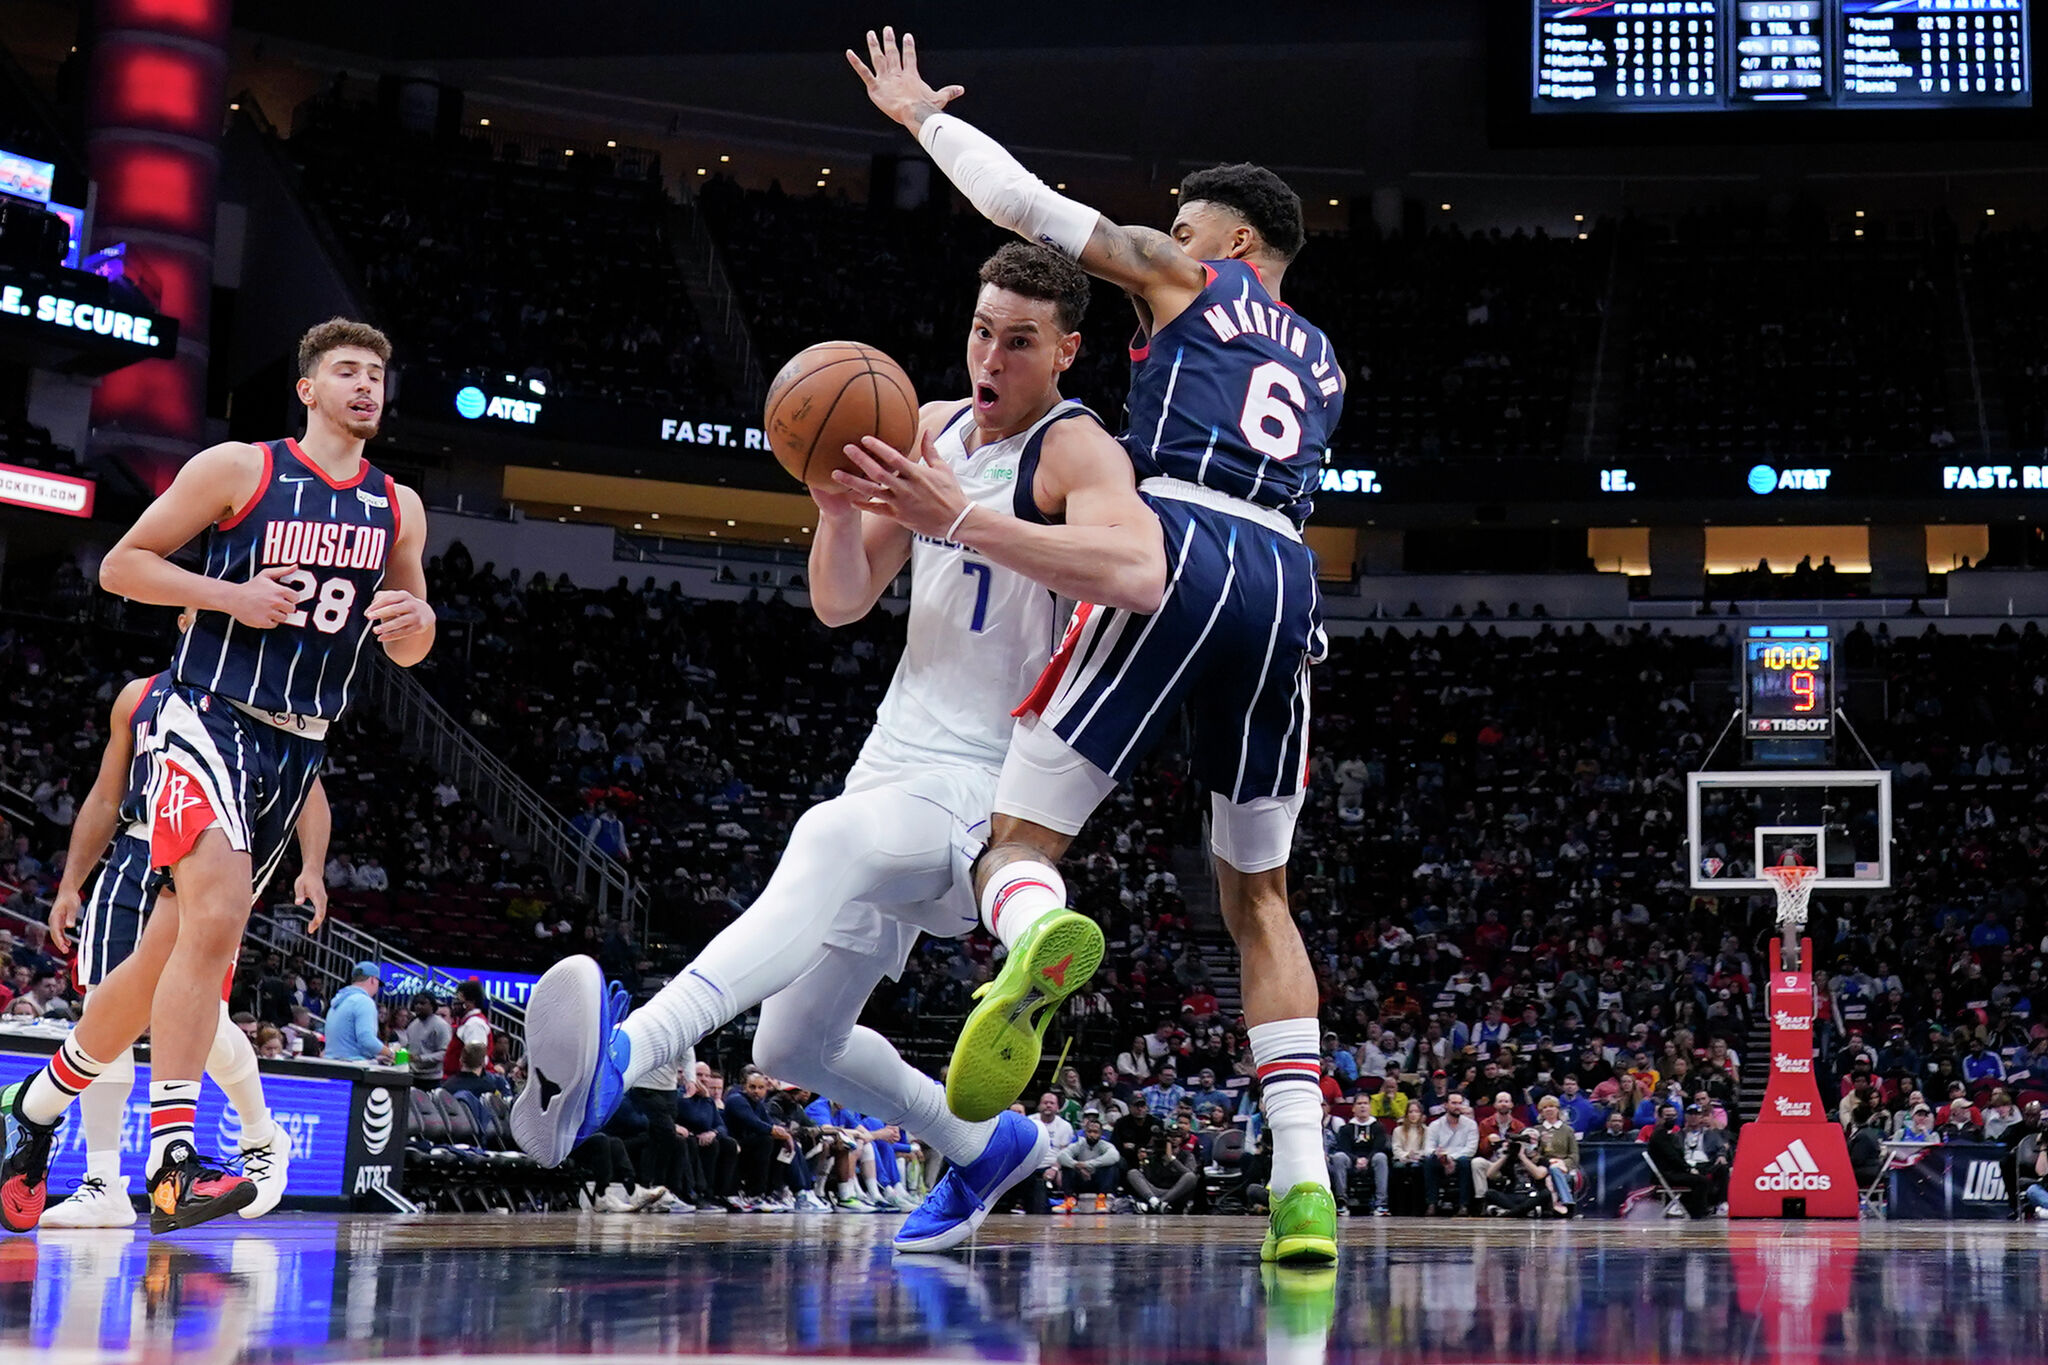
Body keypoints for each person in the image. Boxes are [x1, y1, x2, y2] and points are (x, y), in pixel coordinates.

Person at [511, 244, 1163, 1256]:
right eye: (981, 331)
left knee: (825, 835)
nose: (990, 358)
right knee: (794, 1042)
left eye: (1019, 341)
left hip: (986, 783)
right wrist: (834, 509)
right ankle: (984, 1145)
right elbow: (840, 601)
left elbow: (1138, 571)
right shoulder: (930, 425)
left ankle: (628, 1054)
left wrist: (964, 518)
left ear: (1066, 353)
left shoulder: (1075, 451)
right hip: (893, 759)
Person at [850, 27, 1345, 1266]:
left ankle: (1031, 941)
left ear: (1234, 245)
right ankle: (1303, 1184)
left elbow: (1027, 208)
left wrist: (918, 118)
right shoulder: (1325, 362)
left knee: (1018, 842)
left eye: (1183, 226)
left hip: (1180, 544)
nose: (1163, 239)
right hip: (1288, 583)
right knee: (1258, 898)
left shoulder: (1194, 282)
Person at [1, 318, 431, 1234]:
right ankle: (172, 1166)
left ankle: (33, 1107)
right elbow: (123, 566)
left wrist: (415, 625)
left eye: (376, 374)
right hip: (209, 713)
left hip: (300, 743)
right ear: (308, 388)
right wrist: (229, 595)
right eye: (347, 371)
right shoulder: (242, 467)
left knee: (165, 955)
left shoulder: (399, 506)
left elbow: (411, 637)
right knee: (221, 916)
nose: (366, 385)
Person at [34, 656, 330, 1228]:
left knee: (206, 1020)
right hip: (136, 853)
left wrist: (312, 867)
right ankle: (103, 1182)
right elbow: (104, 798)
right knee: (103, 1010)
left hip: (208, 856)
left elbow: (306, 789)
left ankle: (261, 1136)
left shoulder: (254, 693)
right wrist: (71, 882)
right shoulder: (138, 696)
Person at [1331, 1097, 1391, 1216]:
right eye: (1359, 1103)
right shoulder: (1346, 1129)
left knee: (1381, 1157)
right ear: (1353, 1108)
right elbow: (1344, 1148)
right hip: (1351, 1161)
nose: (1362, 1106)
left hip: (1372, 1160)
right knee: (1338, 1157)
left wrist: (1367, 1160)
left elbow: (1379, 1147)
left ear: (1370, 1107)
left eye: (1365, 1103)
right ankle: (1341, 1201)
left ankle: (1381, 1203)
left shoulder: (1378, 1127)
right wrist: (1356, 1160)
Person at [1422, 1093, 1480, 1215]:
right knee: (1429, 1161)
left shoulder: (1471, 1125)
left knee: (1465, 1162)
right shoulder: (1435, 1125)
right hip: (1441, 1159)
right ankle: (1432, 1203)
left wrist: (1451, 1158)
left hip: (1460, 1160)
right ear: (1445, 1105)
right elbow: (1428, 1148)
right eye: (1454, 1103)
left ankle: (1463, 1205)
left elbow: (1471, 1149)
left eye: (1460, 1103)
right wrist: (1443, 1158)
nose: (1457, 1106)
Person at [1129, 1116, 1200, 1213]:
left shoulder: (1188, 1155)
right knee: (1133, 1173)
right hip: (1155, 1190)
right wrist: (1143, 1162)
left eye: (1177, 1136)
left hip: (1175, 1191)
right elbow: (1148, 1177)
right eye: (1170, 1136)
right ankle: (1155, 1202)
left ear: (1181, 1139)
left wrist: (1172, 1160)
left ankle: (1158, 1203)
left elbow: (1190, 1176)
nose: (1173, 1139)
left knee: (1191, 1176)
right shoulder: (1156, 1154)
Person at [325, 965, 390, 1063]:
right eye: (378, 984)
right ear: (373, 980)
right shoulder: (364, 1001)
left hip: (330, 1063)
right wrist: (391, 1053)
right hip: (353, 1066)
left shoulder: (339, 1000)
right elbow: (367, 1040)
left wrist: (375, 1057)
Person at [1056, 1116, 1122, 1211]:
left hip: (1098, 1181)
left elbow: (1114, 1156)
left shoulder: (1105, 1145)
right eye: (1089, 1131)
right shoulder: (1079, 1145)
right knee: (1066, 1166)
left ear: (1101, 1133)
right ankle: (1069, 1200)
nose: (1092, 1134)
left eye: (1095, 1132)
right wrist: (1076, 1166)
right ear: (1085, 1132)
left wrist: (1087, 1165)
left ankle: (1101, 1199)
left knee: (1111, 1166)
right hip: (1081, 1181)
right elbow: (1061, 1156)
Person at [401, 993, 452, 1088]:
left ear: (432, 1006)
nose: (418, 1006)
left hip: (432, 1079)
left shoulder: (441, 1025)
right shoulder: (412, 1025)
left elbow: (445, 1053)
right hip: (411, 1076)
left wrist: (420, 1058)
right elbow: (408, 1048)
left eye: (422, 1003)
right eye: (416, 1003)